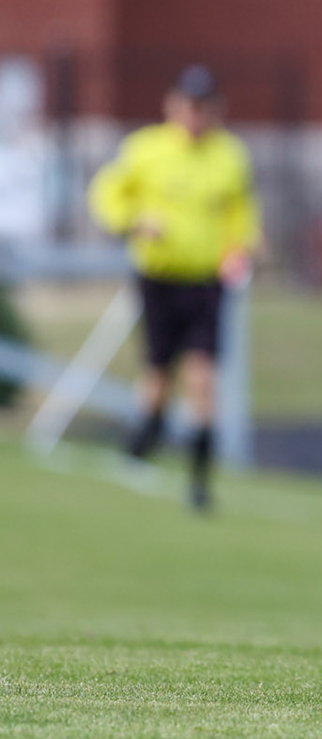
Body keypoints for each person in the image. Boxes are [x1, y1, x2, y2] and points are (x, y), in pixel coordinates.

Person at [88, 65, 260, 512]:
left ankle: (200, 479)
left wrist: (242, 247)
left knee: (203, 375)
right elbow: (106, 194)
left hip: (205, 278)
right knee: (158, 371)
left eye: (205, 107)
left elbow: (241, 212)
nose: (197, 116)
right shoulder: (146, 150)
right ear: (173, 106)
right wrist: (133, 222)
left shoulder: (229, 155)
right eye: (190, 105)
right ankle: (145, 438)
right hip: (159, 274)